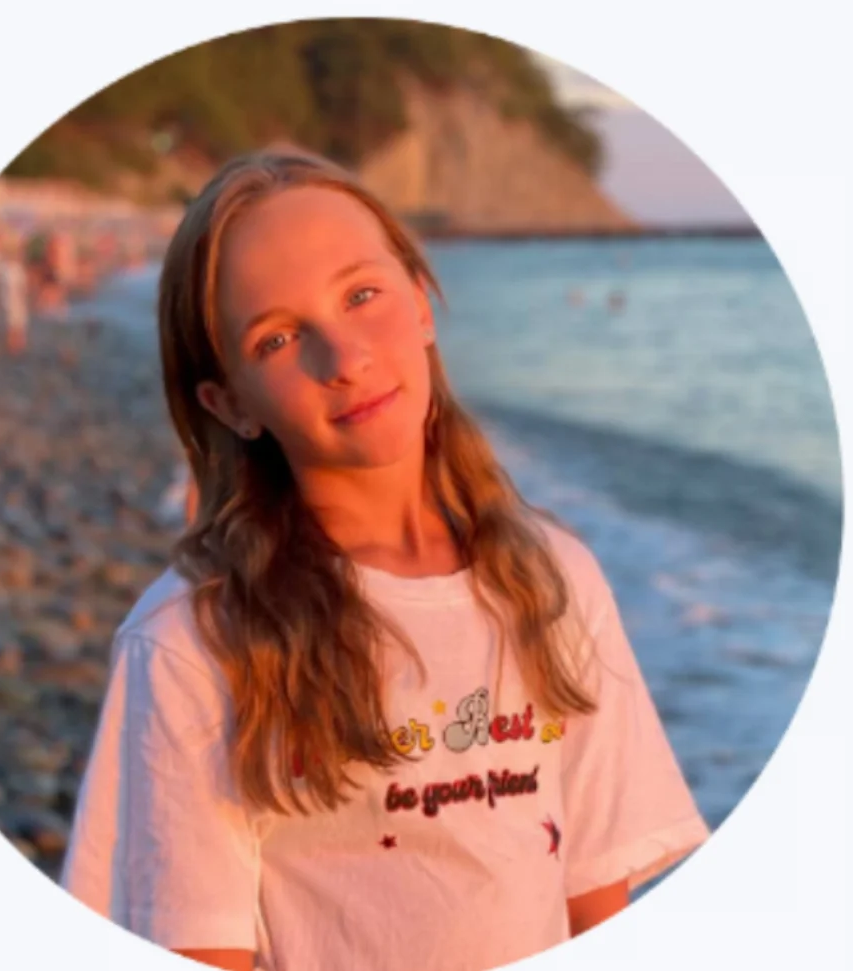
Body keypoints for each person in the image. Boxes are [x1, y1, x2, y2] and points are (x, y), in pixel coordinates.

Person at [60, 151, 709, 971]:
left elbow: (592, 893)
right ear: (231, 403)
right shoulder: (197, 640)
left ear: (422, 301)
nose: (344, 356)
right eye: (278, 338)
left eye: (362, 295)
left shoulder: (551, 579)